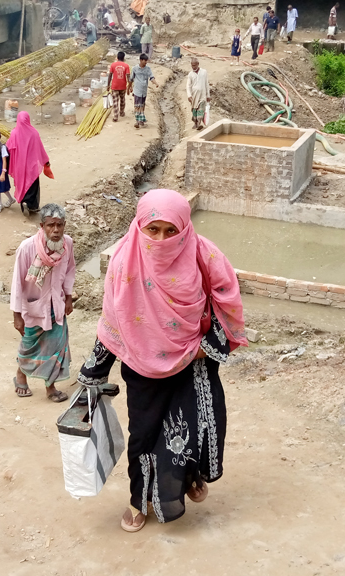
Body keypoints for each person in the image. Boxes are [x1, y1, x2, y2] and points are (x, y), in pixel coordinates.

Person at [76, 188, 247, 532]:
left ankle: (186, 480)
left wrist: (203, 347)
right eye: (153, 230)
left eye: (171, 231)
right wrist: (94, 371)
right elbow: (114, 320)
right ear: (139, 225)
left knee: (188, 431)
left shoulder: (203, 255)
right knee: (143, 437)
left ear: (184, 229)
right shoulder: (124, 262)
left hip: (192, 364)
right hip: (142, 370)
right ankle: (138, 501)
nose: (161, 239)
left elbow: (227, 305)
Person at [10, 203, 75, 402]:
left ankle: (51, 387)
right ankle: (21, 373)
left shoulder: (67, 244)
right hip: (33, 306)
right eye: (50, 225)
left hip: (57, 305)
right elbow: (17, 282)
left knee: (55, 347)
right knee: (29, 345)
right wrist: (17, 316)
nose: (55, 230)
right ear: (42, 226)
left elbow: (70, 270)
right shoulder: (27, 248)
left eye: (60, 225)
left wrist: (69, 297)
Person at [7, 111, 52, 216]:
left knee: (22, 184)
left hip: (19, 166)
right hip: (32, 166)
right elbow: (40, 148)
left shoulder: (14, 133)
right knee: (33, 185)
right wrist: (46, 161)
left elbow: (9, 148)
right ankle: (32, 205)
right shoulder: (34, 133)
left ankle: (24, 202)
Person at [129, 53, 159, 129]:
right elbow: (131, 79)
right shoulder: (135, 68)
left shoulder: (148, 69)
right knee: (137, 105)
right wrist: (129, 87)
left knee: (142, 105)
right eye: (144, 61)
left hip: (144, 91)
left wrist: (155, 83)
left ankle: (141, 119)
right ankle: (137, 121)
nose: (146, 62)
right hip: (137, 90)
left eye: (146, 61)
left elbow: (151, 77)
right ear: (141, 60)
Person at [107, 51, 131, 122]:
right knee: (122, 100)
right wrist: (130, 86)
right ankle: (122, 112)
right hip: (123, 86)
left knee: (115, 101)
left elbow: (110, 75)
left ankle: (115, 116)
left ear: (117, 57)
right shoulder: (126, 66)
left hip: (114, 86)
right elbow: (128, 76)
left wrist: (108, 85)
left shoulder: (113, 65)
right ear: (124, 58)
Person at [187, 58, 210, 131]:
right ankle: (195, 122)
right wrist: (189, 95)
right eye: (192, 65)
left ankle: (199, 123)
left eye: (194, 65)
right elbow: (188, 86)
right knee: (194, 109)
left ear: (198, 64)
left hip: (202, 95)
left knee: (201, 109)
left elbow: (206, 84)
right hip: (194, 95)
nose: (193, 67)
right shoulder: (190, 74)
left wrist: (208, 95)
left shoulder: (204, 72)